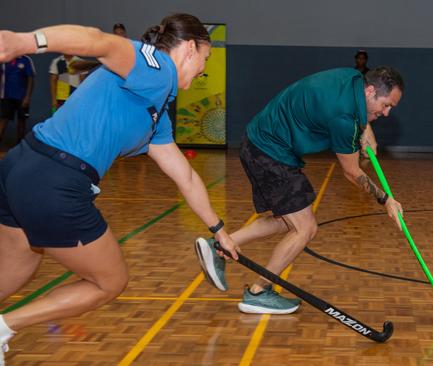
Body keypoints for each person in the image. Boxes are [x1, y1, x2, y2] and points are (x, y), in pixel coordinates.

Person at [0, 13, 238, 364]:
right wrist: (25, 42)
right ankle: (4, 328)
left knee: (19, 266)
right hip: (55, 180)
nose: (204, 68)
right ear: (190, 48)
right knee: (108, 282)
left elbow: (184, 176)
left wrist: (219, 230)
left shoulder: (155, 112)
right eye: (206, 57)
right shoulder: (156, 69)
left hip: (20, 167)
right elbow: (98, 41)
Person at [195, 66, 404, 314]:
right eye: (386, 105)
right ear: (370, 91)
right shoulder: (344, 118)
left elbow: (356, 110)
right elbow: (352, 172)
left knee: (288, 221)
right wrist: (386, 199)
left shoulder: (353, 77)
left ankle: (220, 246)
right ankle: (259, 292)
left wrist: (366, 127)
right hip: (269, 152)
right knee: (305, 228)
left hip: (261, 142)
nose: (387, 113)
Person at [0, 55, 35, 145]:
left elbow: (30, 79)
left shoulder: (26, 60)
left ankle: (19, 145)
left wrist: (27, 97)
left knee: (21, 120)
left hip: (21, 97)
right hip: (6, 95)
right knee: (4, 119)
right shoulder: (4, 59)